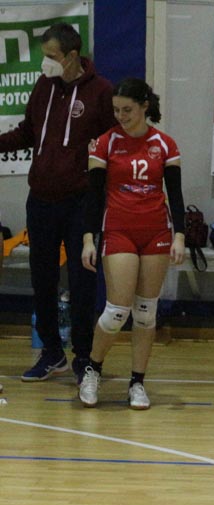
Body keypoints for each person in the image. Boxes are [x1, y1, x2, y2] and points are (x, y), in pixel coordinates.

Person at [0, 23, 114, 383]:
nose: (45, 63)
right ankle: (52, 352)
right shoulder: (43, 86)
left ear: (72, 56)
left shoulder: (101, 92)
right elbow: (27, 132)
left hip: (81, 202)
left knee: (82, 282)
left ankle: (83, 356)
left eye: (51, 56)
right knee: (42, 278)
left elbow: (111, 147)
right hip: (40, 200)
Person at [76, 79, 184, 409]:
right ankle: (92, 370)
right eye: (116, 110)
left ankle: (137, 382)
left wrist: (180, 235)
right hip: (119, 231)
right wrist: (88, 238)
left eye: (127, 110)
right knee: (117, 311)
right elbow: (93, 197)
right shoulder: (105, 143)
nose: (121, 116)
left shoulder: (165, 144)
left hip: (156, 233)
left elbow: (175, 194)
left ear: (144, 106)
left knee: (146, 313)